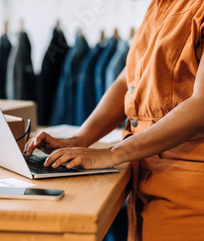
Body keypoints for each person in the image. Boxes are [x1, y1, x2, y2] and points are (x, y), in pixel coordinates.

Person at [24, 1, 204, 241]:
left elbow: (201, 105)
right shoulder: (160, 6)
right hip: (142, 182)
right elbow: (128, 80)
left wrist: (113, 154)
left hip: (187, 197)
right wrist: (81, 138)